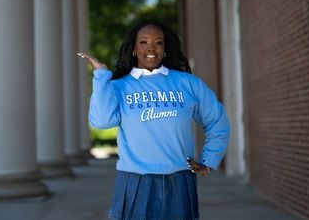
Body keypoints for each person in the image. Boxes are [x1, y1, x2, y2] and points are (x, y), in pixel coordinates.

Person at [78, 20, 230, 220]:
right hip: (134, 181)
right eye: (143, 42)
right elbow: (101, 121)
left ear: (165, 49)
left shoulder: (187, 83)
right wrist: (100, 76)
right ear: (134, 48)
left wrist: (208, 160)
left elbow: (217, 121)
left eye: (158, 42)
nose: (151, 47)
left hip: (179, 180)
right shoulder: (119, 86)